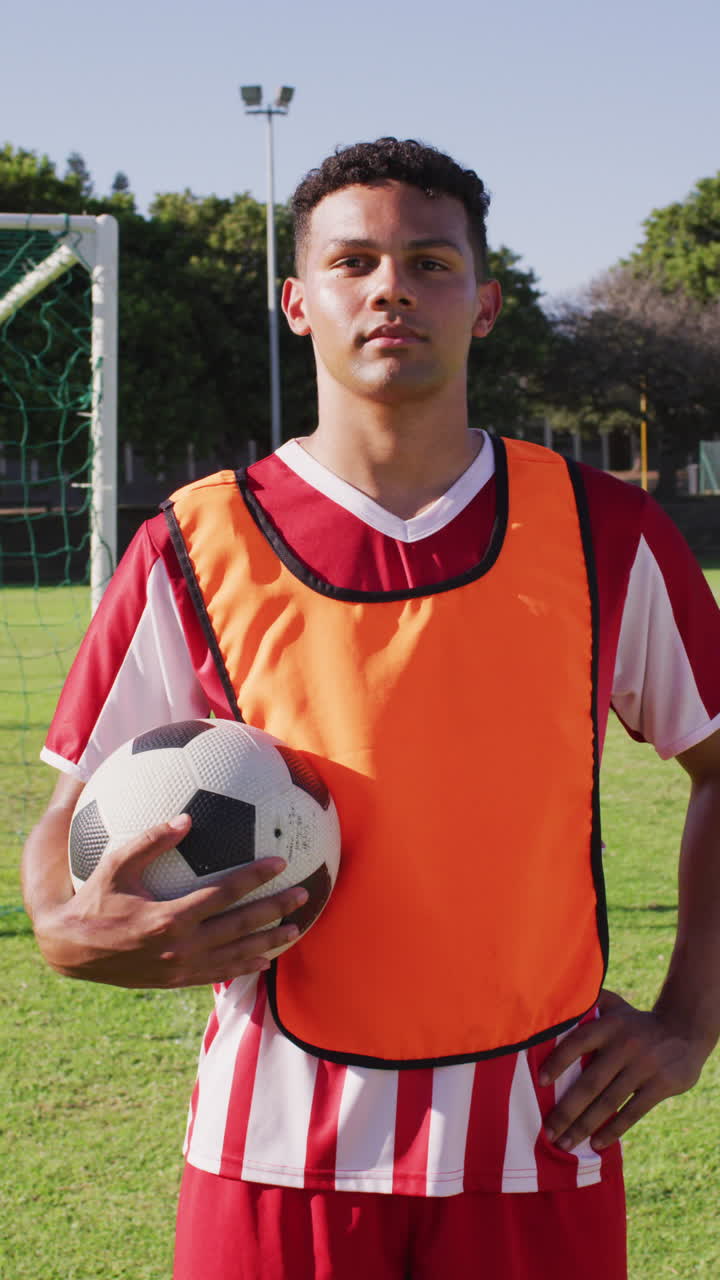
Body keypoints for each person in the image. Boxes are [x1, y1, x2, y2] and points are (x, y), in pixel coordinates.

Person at [23, 138, 720, 1280]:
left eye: (431, 261)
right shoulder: (191, 544)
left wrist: (690, 1017)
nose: (392, 286)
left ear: (486, 303)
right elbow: (67, 819)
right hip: (270, 1144)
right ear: (299, 301)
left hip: (538, 1136)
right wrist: (61, 923)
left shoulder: (605, 531)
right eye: (354, 261)